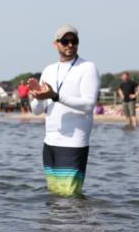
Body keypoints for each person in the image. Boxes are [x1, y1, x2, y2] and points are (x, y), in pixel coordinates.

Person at [27, 26, 100, 197]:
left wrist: (55, 95)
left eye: (74, 41)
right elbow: (37, 111)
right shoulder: (49, 70)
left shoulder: (88, 67)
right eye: (65, 41)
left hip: (73, 143)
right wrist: (37, 96)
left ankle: (74, 224)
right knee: (55, 196)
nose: (70, 45)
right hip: (50, 143)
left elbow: (89, 104)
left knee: (69, 197)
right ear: (56, 44)